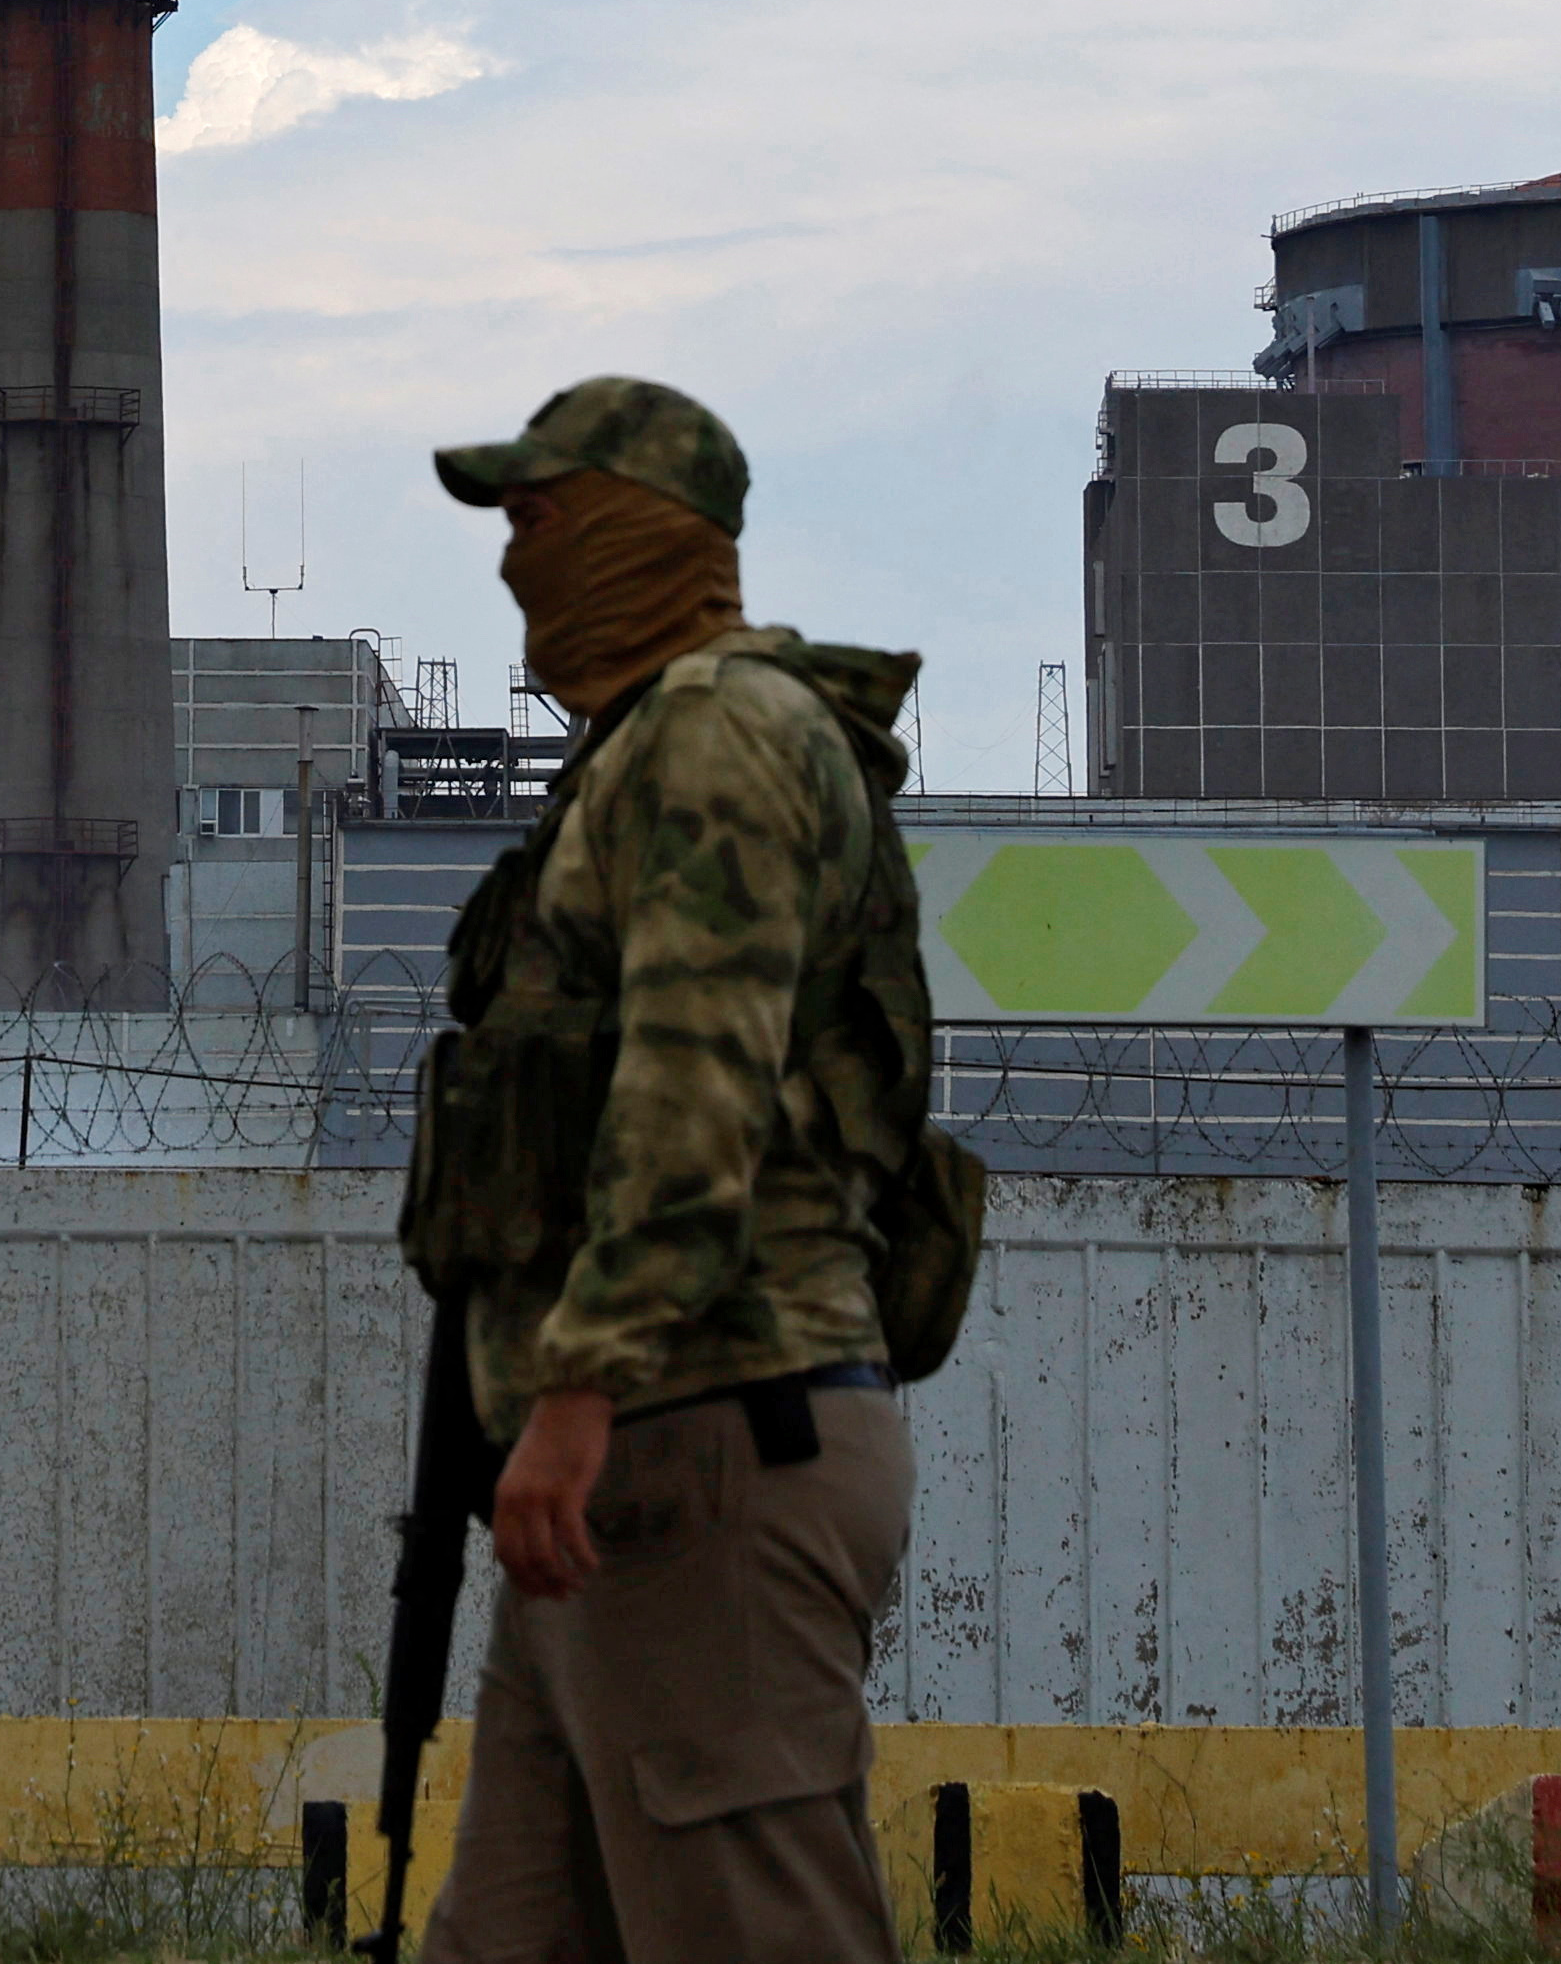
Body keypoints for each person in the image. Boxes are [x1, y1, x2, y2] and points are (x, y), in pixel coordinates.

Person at [401, 375, 961, 1964]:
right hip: (628, 1468)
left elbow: (691, 1090)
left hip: (702, 1437)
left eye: (538, 516)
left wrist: (577, 1390)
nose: (514, 560)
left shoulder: (719, 737)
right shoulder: (650, 745)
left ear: (642, 531)